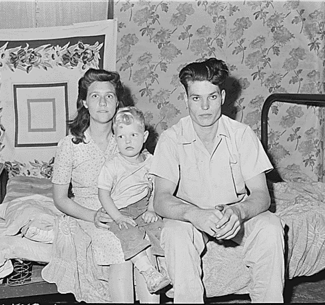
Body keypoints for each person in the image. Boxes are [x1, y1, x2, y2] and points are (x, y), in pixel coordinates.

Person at [150, 58, 285, 303]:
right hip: (191, 216)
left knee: (271, 227)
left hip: (234, 212)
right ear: (185, 99)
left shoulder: (242, 135)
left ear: (222, 96)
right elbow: (160, 199)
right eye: (195, 98)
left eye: (211, 97)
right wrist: (194, 214)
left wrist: (239, 211)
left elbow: (261, 195)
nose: (204, 107)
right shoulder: (171, 139)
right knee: (173, 232)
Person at [52, 68, 159, 303]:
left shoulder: (126, 137)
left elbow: (149, 174)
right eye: (95, 96)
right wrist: (93, 216)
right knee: (117, 247)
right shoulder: (70, 144)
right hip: (88, 212)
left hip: (128, 208)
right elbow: (60, 199)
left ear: (117, 101)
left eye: (109, 96)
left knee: (146, 244)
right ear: (84, 102)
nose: (102, 102)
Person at [98, 106, 170, 294]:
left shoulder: (151, 161)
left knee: (160, 229)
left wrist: (153, 209)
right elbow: (103, 194)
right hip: (120, 210)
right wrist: (117, 217)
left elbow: (156, 187)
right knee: (129, 236)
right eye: (121, 137)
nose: (127, 141)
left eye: (133, 135)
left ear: (144, 136)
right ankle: (148, 272)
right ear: (115, 139)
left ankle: (165, 266)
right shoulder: (112, 166)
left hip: (144, 207)